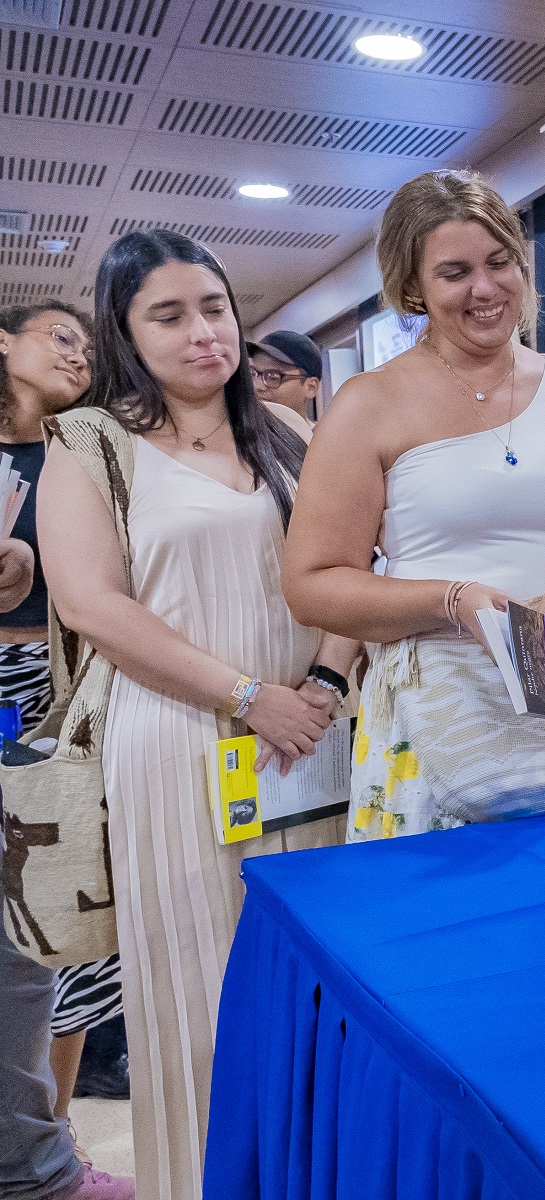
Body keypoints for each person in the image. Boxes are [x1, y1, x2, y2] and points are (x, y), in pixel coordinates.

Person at [38, 230, 362, 1200]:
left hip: (308, 740)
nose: (202, 333)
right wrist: (245, 697)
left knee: (322, 991)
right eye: (169, 316)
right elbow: (92, 605)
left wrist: (324, 686)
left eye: (214, 308)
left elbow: (353, 568)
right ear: (127, 335)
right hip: (182, 743)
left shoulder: (292, 434)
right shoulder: (91, 445)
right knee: (208, 999)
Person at [282, 168, 545, 840]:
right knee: (444, 928)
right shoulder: (368, 405)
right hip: (435, 709)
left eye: (501, 263)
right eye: (455, 272)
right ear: (413, 286)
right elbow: (312, 585)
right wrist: (451, 599)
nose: (486, 289)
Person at [0, 303, 131, 1186]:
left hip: (67, 698)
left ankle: (51, 1148)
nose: (78, 350)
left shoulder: (94, 451)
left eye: (88, 341)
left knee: (61, 930)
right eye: (58, 334)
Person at [246, 330, 322, 420]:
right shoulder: (236, 432)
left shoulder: (323, 434)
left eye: (273, 377)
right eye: (252, 374)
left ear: (311, 387)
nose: (256, 386)